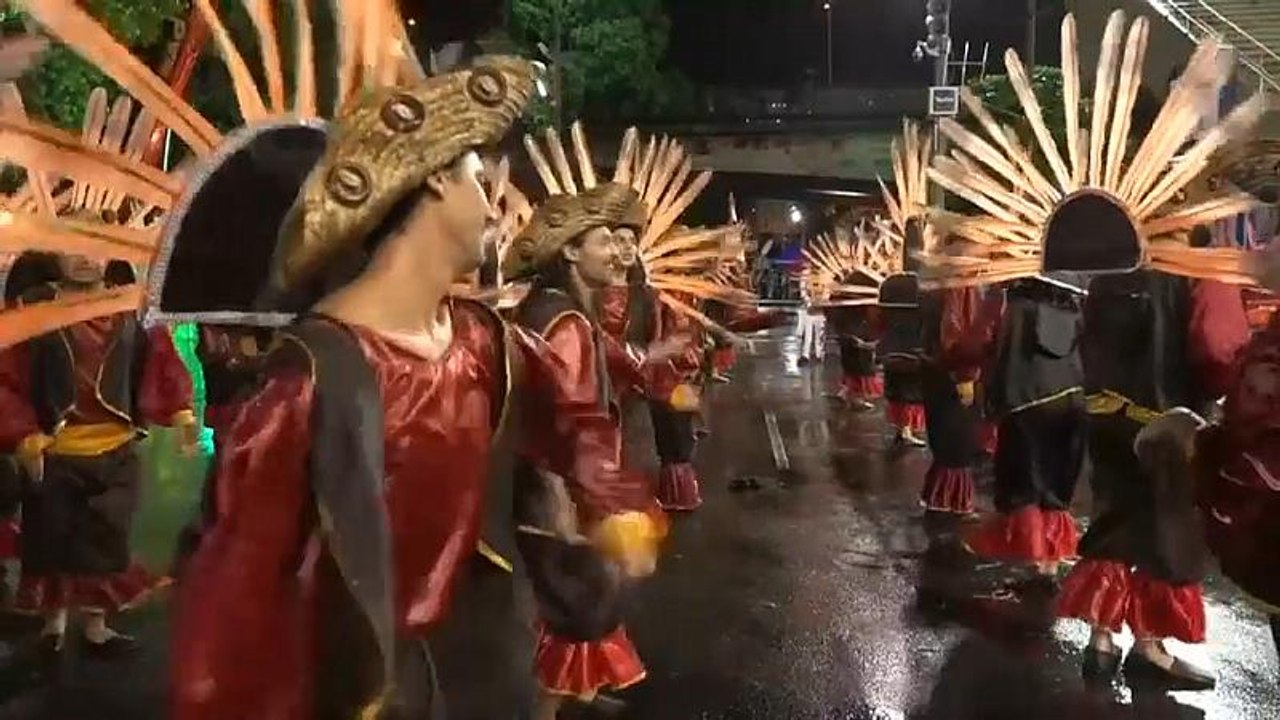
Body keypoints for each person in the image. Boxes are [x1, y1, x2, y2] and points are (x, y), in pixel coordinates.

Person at [160, 58, 656, 719]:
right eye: (480, 183)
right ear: (430, 185)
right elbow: (234, 596)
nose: (494, 208)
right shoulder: (303, 385)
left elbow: (571, 418)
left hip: (459, 657)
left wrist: (612, 498)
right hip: (349, 682)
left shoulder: (486, 340)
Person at [504, 180, 657, 720]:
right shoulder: (564, 321)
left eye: (626, 240)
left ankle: (581, 695)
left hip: (552, 489)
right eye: (608, 239)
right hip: (560, 495)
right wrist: (613, 501)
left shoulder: (557, 309)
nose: (622, 252)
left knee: (580, 607)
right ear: (569, 249)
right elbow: (575, 422)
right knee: (578, 611)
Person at [0, 251, 196, 658]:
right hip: (56, 450)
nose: (88, 259)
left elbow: (160, 358)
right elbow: (8, 376)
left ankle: (95, 627)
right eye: (76, 248)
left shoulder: (130, 309)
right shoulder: (37, 313)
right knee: (49, 540)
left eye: (95, 247)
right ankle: (52, 626)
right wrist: (24, 435)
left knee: (106, 539)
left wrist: (181, 410)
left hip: (116, 448)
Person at [966, 275, 1087, 590]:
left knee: (1026, 484)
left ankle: (1034, 560)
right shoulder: (1076, 305)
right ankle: (1050, 563)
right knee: (1057, 484)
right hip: (1073, 399)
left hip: (1024, 402)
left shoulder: (1010, 304)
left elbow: (988, 348)